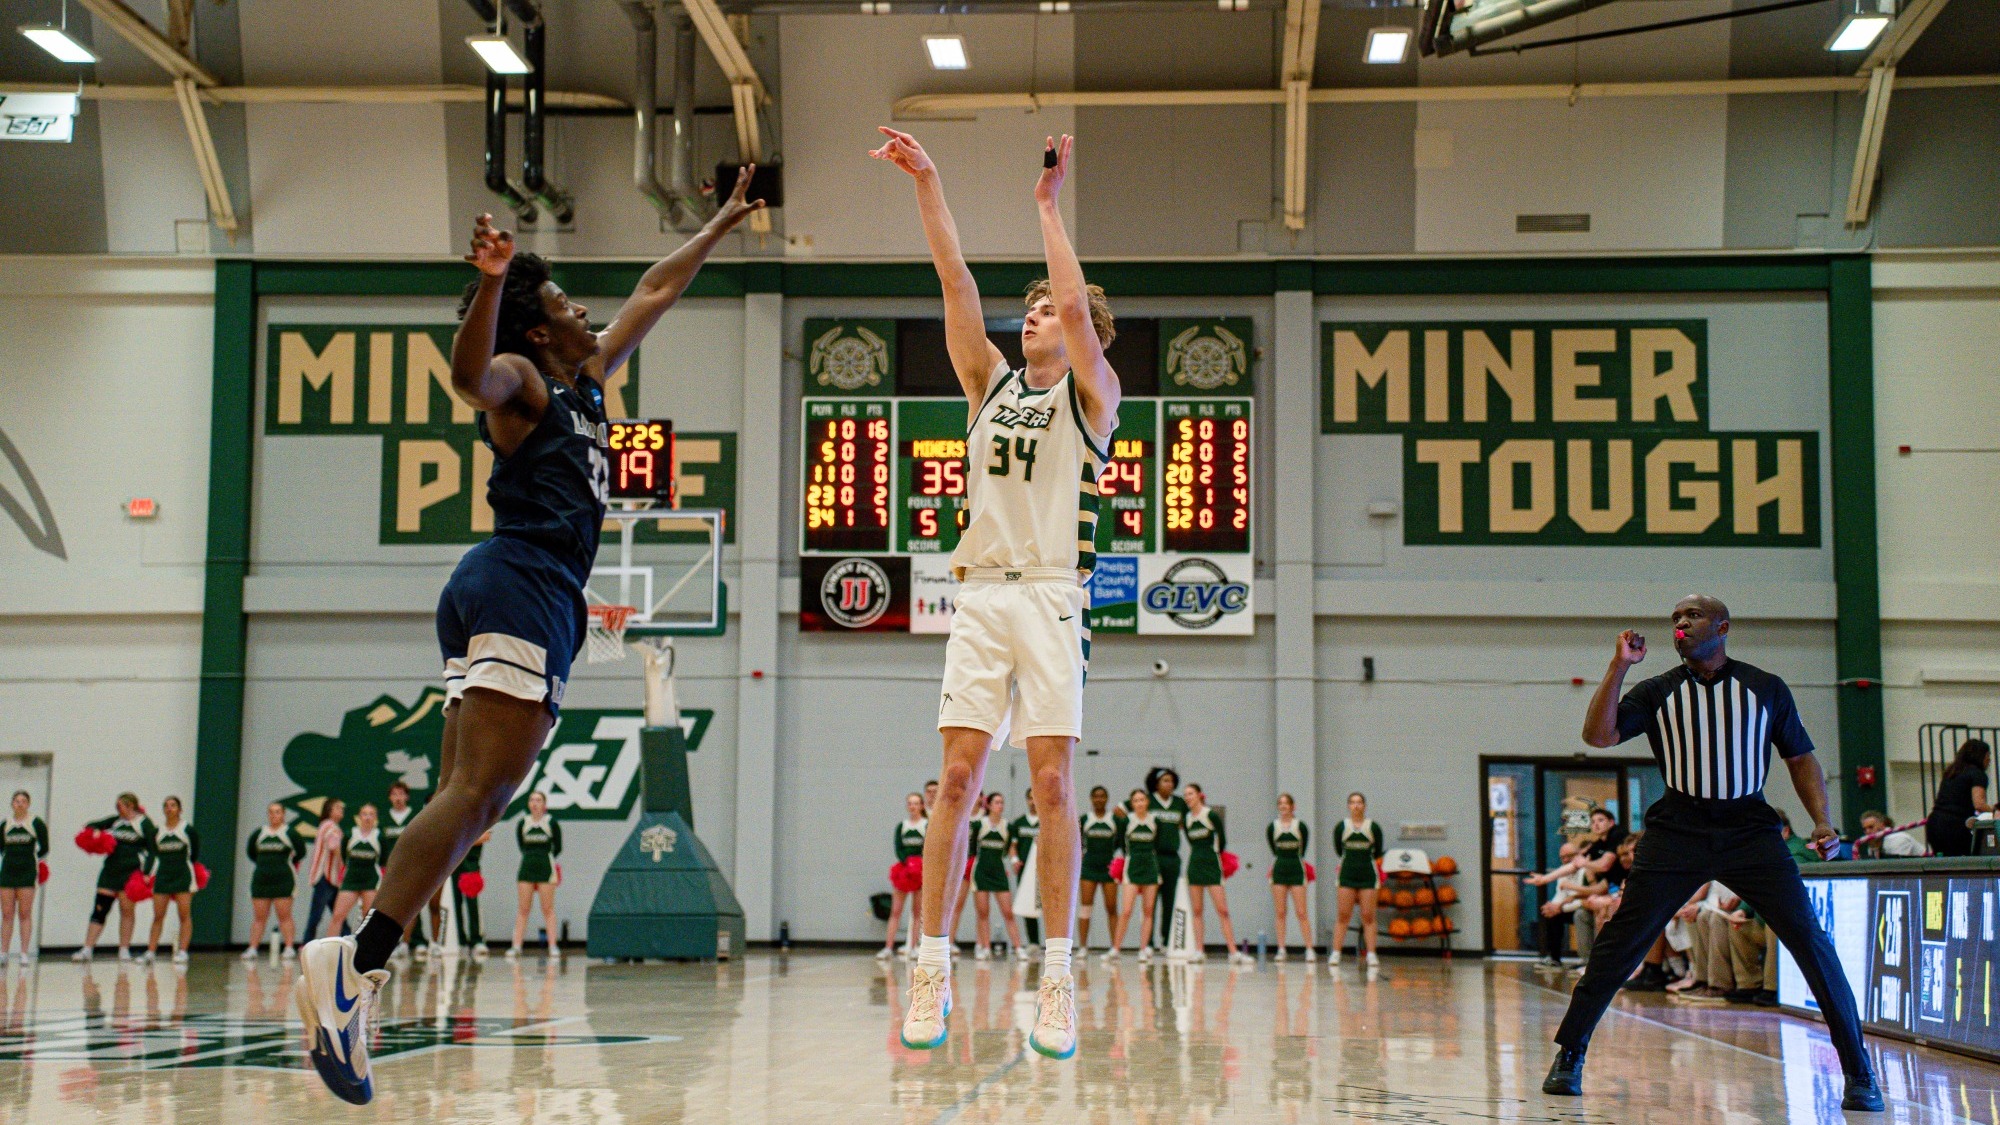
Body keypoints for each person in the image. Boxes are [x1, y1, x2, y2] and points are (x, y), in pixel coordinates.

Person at [295, 175, 763, 1105]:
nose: (585, 308)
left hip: (512, 586)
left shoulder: (588, 381)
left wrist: (720, 222)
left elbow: (655, 292)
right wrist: (494, 286)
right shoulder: (527, 386)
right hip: (523, 580)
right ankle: (354, 960)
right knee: (477, 792)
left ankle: (358, 969)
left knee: (469, 802)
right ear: (539, 330)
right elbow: (471, 377)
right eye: (561, 302)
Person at [875, 128, 1119, 1063]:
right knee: (957, 781)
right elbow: (955, 284)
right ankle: (930, 962)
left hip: (1054, 595)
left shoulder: (1093, 397)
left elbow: (1070, 298)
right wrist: (930, 185)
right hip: (979, 595)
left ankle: (1058, 973)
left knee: (1052, 782)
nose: (1033, 319)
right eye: (1027, 313)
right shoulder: (986, 386)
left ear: (1080, 328)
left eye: (1048, 314)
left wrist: (1047, 210)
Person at [1541, 595, 1883, 1112]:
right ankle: (1571, 1053)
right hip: (1678, 827)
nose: (1681, 623)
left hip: (1750, 828)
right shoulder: (1657, 691)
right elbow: (1598, 734)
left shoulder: (1765, 687)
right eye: (1676, 618)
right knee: (1621, 942)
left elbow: (1800, 757)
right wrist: (1618, 667)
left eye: (1693, 616)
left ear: (1722, 627)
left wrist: (1821, 821)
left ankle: (1859, 1071)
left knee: (1810, 941)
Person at [72, 793, 155, 963]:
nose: (117, 809)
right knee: (99, 909)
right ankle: (87, 949)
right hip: (110, 871)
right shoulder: (116, 821)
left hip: (130, 873)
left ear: (130, 806)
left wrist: (146, 872)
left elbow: (153, 850)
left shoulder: (144, 823)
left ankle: (124, 950)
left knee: (126, 910)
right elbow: (92, 825)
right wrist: (95, 833)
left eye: (120, 806)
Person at [1181, 784, 1250, 965]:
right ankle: (1199, 951)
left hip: (1212, 865)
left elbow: (1222, 839)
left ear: (1199, 795)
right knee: (1197, 911)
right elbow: (1190, 840)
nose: (1187, 797)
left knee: (1223, 910)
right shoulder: (1187, 818)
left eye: (1190, 794)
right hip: (1194, 865)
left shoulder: (1210, 815)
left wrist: (1214, 855)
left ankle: (1233, 952)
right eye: (1185, 795)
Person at [138, 797, 199, 965]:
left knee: (184, 914)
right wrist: (146, 873)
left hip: (183, 875)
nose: (169, 808)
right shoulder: (157, 831)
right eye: (166, 806)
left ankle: (183, 952)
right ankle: (150, 952)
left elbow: (195, 853)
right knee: (158, 915)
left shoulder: (187, 829)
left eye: (173, 805)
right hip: (163, 875)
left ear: (180, 809)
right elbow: (153, 853)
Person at [1329, 792, 1384, 971]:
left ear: (1364, 806)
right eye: (1352, 802)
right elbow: (1339, 850)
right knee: (1343, 915)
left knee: (1368, 916)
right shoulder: (1341, 827)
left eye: (1359, 802)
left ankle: (1371, 954)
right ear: (1348, 806)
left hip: (1368, 876)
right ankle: (1336, 952)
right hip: (1346, 875)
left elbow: (1378, 852)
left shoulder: (1373, 827)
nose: (1356, 805)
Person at [244, 802, 306, 961]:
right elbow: (251, 853)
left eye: (277, 812)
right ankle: (252, 948)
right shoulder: (259, 833)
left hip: (283, 880)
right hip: (261, 880)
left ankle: (289, 947)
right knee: (259, 917)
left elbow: (301, 852)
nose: (274, 815)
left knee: (284, 916)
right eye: (271, 812)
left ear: (283, 814)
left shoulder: (290, 833)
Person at [970, 793, 1026, 961]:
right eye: (996, 802)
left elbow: (1010, 849)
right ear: (988, 805)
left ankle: (1018, 948)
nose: (1000, 805)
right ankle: (986, 947)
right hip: (981, 871)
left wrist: (1015, 860)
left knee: (1008, 912)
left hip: (999, 872)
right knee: (983, 912)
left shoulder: (1008, 827)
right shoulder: (979, 825)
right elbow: (972, 850)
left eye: (1002, 802)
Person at [1109, 789, 1161, 963]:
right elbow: (1119, 843)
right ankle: (1115, 949)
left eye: (1142, 799)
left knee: (1148, 911)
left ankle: (1143, 948)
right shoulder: (1126, 821)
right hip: (1132, 868)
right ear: (1132, 804)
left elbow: (1159, 844)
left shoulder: (1155, 821)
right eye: (1136, 800)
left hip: (1151, 868)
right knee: (1126, 910)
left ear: (1147, 801)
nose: (1139, 803)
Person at [510, 791, 563, 959]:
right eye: (532, 800)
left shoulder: (551, 823)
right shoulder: (523, 823)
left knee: (548, 909)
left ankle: (553, 946)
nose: (535, 803)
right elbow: (521, 845)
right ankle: (516, 946)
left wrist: (544, 858)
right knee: (523, 909)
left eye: (538, 800)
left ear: (544, 804)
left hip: (545, 869)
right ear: (528, 804)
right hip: (526, 868)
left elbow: (558, 846)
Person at [0, 791, 48, 966]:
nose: (20, 804)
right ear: (12, 804)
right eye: (17, 801)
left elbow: (45, 847)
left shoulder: (36, 823)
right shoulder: (5, 824)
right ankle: (3, 952)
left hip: (27, 872)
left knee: (25, 913)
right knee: (6, 914)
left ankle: (24, 953)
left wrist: (35, 862)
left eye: (23, 801)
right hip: (7, 873)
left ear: (28, 804)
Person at [880, 793, 928, 961]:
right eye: (910, 803)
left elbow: (929, 848)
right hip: (904, 870)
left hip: (921, 871)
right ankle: (888, 948)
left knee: (917, 912)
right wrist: (907, 862)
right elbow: (898, 848)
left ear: (922, 806)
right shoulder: (902, 826)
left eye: (916, 803)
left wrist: (919, 863)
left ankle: (913, 947)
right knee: (896, 911)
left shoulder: (926, 825)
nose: (913, 806)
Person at [1926, 738, 1992, 857]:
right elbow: (1979, 804)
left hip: (1934, 823)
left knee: (1942, 864)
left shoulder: (1952, 771)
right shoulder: (1977, 774)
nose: (1989, 760)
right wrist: (1996, 811)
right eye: (1988, 755)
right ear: (1981, 756)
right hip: (1955, 826)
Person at [1145, 767, 1187, 954]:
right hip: (1152, 857)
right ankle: (1148, 942)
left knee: (1169, 900)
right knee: (1150, 901)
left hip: (1172, 858)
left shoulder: (1179, 803)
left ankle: (1166, 940)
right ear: (1156, 783)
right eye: (1164, 780)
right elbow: (1122, 812)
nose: (1168, 784)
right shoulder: (1148, 801)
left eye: (1171, 781)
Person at [1267, 794, 1312, 962]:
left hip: (1297, 870)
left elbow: (1304, 848)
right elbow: (1273, 848)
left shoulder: (1300, 826)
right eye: (1280, 803)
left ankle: (1309, 949)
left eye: (1286, 803)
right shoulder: (1273, 827)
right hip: (1279, 870)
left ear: (1293, 806)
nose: (1283, 806)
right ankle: (1281, 949)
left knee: (1301, 912)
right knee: (1280, 912)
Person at [1078, 786, 1123, 954]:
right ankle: (1082, 947)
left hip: (1108, 869)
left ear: (1107, 798)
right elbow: (1076, 841)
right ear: (1091, 799)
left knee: (1111, 907)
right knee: (1085, 906)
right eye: (1096, 796)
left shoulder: (1115, 820)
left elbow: (1122, 842)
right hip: (1089, 867)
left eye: (1102, 796)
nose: (1099, 799)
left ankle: (1115, 947)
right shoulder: (1085, 819)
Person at [297, 799, 345, 945]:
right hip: (326, 877)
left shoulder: (323, 826)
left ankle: (348, 939)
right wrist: (343, 866)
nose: (341, 810)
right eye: (338, 807)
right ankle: (306, 944)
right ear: (329, 810)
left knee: (338, 913)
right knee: (318, 914)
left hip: (326, 877)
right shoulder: (332, 827)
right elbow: (334, 847)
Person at [330, 804, 382, 936]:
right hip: (351, 880)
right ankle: (329, 951)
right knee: (337, 916)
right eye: (364, 814)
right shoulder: (350, 834)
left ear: (375, 817)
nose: (367, 817)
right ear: (359, 817)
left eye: (371, 814)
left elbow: (384, 861)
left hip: (370, 881)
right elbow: (343, 855)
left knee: (369, 917)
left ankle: (369, 952)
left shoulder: (380, 837)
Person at [1010, 789, 1042, 952]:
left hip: (1044, 870)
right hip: (1026, 871)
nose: (1033, 801)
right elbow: (1013, 846)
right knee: (1028, 902)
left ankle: (1054, 941)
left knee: (1048, 905)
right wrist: (1014, 860)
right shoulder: (1019, 823)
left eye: (1036, 798)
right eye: (1030, 798)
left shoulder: (1047, 821)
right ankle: (1033, 942)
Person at [453, 830, 492, 958]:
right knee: (455, 903)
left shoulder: (479, 813)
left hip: (471, 864)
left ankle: (477, 939)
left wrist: (463, 842)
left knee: (473, 903)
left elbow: (486, 836)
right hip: (453, 864)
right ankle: (460, 940)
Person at [1856, 810, 1924, 858]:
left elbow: (1898, 867)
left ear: (1882, 825)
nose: (1867, 832)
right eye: (1864, 829)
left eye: (1871, 827)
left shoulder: (1897, 839)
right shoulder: (1873, 845)